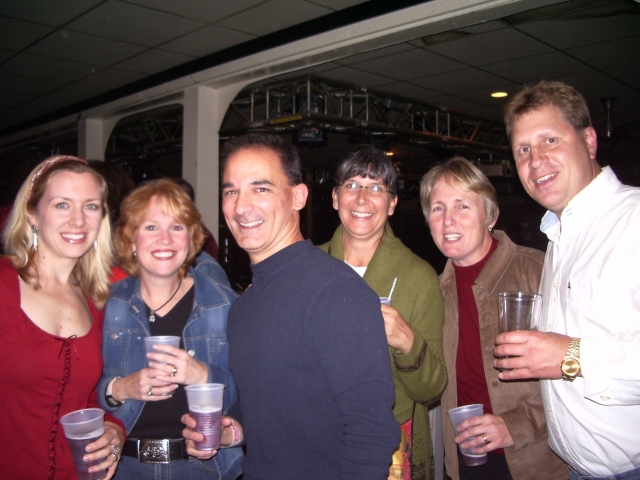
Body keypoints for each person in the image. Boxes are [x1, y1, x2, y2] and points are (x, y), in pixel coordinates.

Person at [183, 133, 399, 480]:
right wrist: (232, 431)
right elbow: (275, 410)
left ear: (298, 196)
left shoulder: (336, 292)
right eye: (230, 191)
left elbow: (371, 432)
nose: (240, 206)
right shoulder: (245, 305)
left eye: (261, 188)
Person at [494, 80, 640, 479]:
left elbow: (569, 355)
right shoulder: (560, 235)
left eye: (550, 140)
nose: (536, 159)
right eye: (523, 150)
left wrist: (571, 355)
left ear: (589, 141)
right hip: (578, 469)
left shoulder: (634, 219)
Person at [420, 156, 568, 480]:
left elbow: (575, 369)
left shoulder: (539, 271)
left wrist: (513, 424)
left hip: (536, 461)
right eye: (437, 208)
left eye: (462, 206)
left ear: (490, 215)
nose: (448, 221)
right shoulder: (431, 292)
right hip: (464, 462)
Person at [97, 179, 242, 479]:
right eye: (151, 227)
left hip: (204, 468)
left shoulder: (224, 304)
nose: (165, 239)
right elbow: (81, 388)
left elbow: (256, 391)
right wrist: (121, 388)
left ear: (191, 238)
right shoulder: (107, 305)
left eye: (177, 228)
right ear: (131, 239)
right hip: (124, 468)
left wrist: (202, 374)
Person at [318, 145, 446, 480]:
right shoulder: (308, 267)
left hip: (388, 448)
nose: (362, 199)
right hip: (316, 437)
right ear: (335, 197)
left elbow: (432, 390)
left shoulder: (418, 276)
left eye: (376, 188)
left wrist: (408, 342)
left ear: (391, 204)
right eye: (352, 185)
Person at [0, 155, 125, 479]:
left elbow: (83, 400)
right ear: (32, 213)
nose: (78, 220)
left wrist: (113, 430)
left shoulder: (95, 300)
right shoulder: (2, 284)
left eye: (91, 206)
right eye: (61, 205)